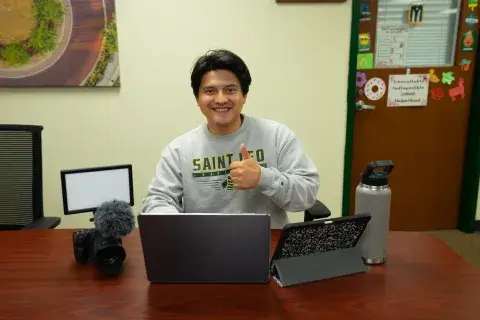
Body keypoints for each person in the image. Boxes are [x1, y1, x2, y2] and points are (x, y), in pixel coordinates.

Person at [141, 49, 320, 228]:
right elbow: (157, 200)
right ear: (198, 98)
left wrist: (263, 178)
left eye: (230, 90)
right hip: (202, 244)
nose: (221, 99)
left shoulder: (277, 136)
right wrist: (179, 226)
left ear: (244, 96)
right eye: (210, 91)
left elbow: (307, 195)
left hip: (267, 243)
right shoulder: (179, 150)